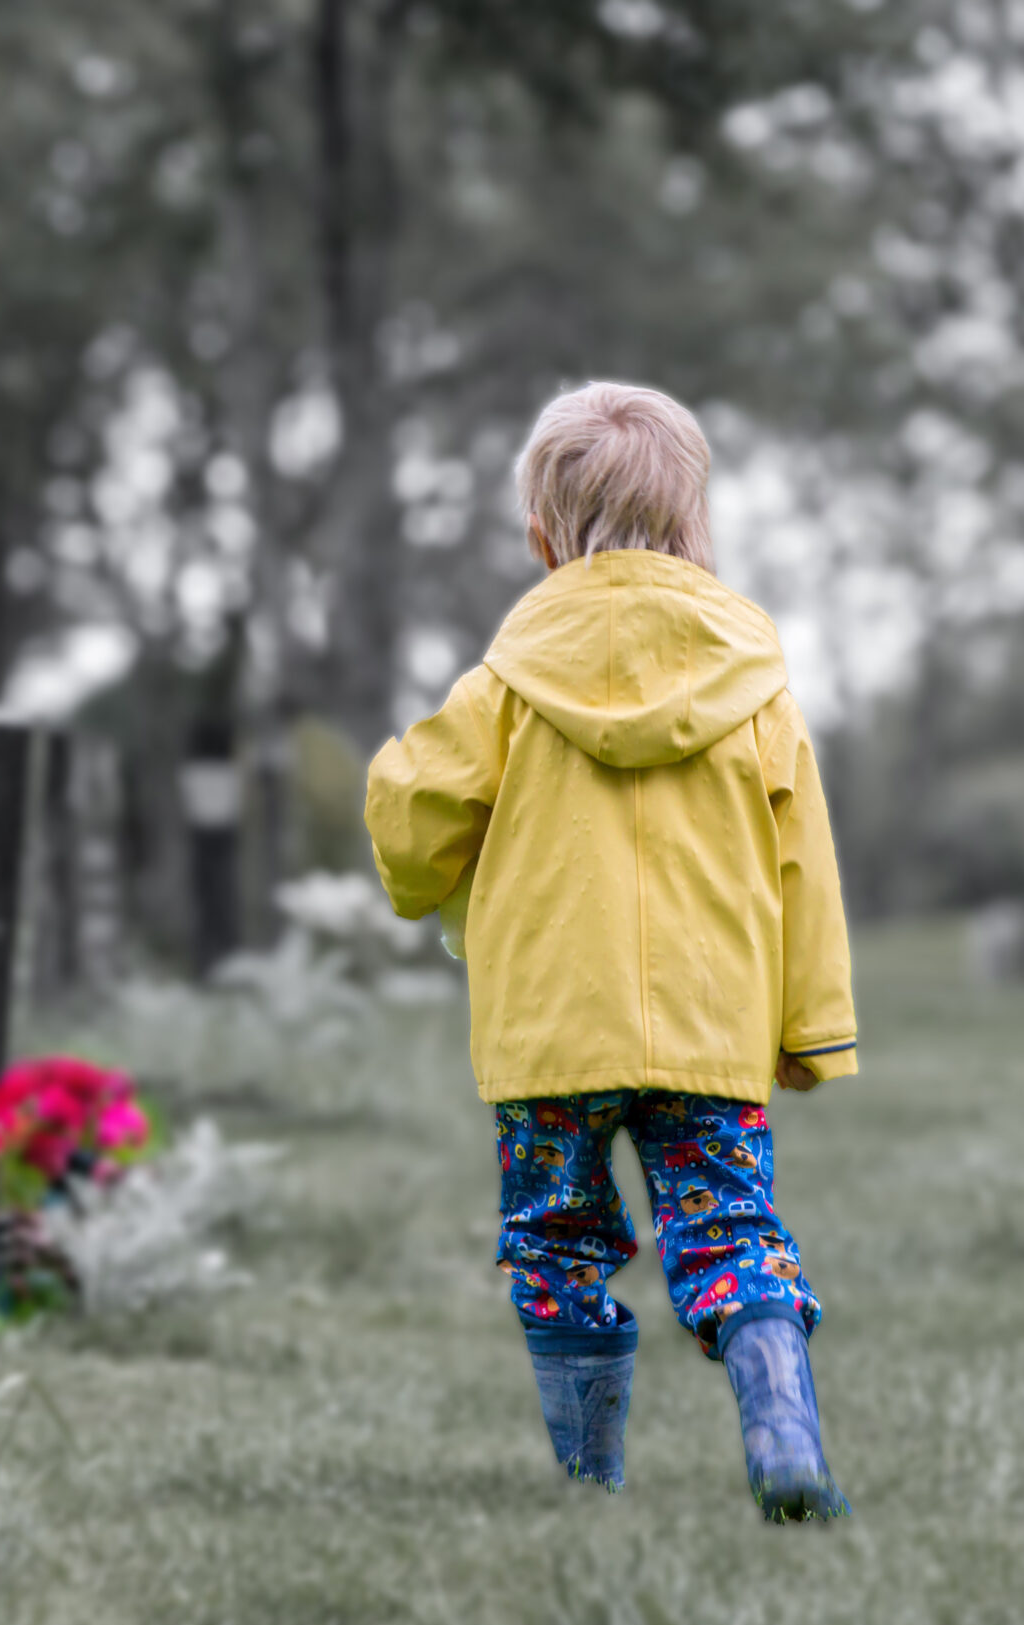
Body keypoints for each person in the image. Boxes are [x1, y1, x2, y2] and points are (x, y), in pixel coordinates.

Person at [364, 381, 858, 1522]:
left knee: (555, 1241)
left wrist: (400, 813)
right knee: (730, 1226)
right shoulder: (755, 685)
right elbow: (803, 863)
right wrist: (808, 1027)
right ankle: (781, 1422)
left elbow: (416, 824)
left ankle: (592, 1484)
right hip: (707, 1021)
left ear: (541, 534)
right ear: (696, 523)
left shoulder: (503, 688)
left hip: (551, 1032)